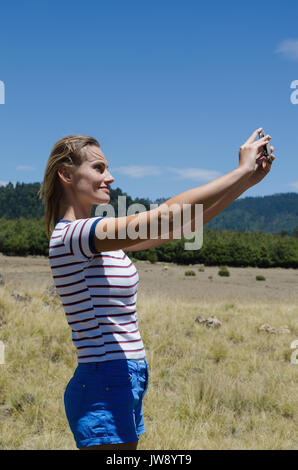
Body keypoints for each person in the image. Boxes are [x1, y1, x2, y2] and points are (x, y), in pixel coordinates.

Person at [39, 128, 275, 450]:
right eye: (98, 168)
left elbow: (182, 225)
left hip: (122, 380)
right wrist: (239, 171)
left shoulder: (100, 241)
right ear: (66, 174)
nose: (109, 177)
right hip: (103, 384)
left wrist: (244, 183)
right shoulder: (73, 236)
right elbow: (163, 217)